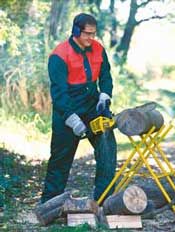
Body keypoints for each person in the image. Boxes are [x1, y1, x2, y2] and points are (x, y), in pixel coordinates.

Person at [40, 13, 117, 204]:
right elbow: (59, 93)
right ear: (76, 31)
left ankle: (105, 201)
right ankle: (49, 205)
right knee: (60, 160)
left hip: (92, 106)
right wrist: (71, 118)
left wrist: (105, 94)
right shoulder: (59, 55)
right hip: (67, 108)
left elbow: (105, 74)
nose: (91, 38)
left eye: (94, 34)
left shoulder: (98, 49)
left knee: (107, 147)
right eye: (87, 34)